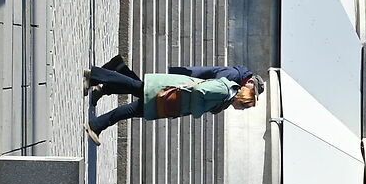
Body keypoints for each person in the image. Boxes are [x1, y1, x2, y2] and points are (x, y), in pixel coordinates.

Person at [84, 55, 260, 141]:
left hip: (173, 96)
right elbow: (201, 90)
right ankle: (99, 78)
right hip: (172, 92)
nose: (241, 110)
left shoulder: (229, 93)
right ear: (243, 98)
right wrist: (198, 111)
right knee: (133, 95)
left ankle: (103, 77)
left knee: (133, 90)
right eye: (244, 106)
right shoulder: (227, 86)